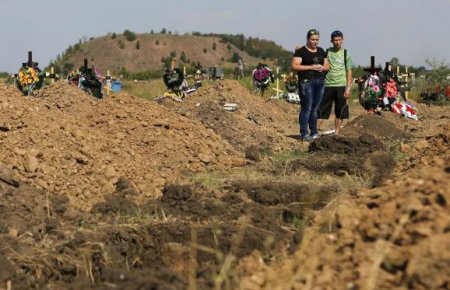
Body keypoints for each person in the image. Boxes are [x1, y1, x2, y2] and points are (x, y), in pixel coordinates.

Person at [292, 29, 329, 141]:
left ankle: (314, 132)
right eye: (313, 39)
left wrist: (322, 68)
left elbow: (328, 66)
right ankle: (304, 133)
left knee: (315, 108)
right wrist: (310, 67)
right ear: (308, 39)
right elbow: (294, 66)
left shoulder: (322, 51)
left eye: (317, 40)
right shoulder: (301, 52)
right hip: (306, 82)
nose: (315, 42)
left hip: (320, 81)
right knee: (307, 108)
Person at [318, 30, 353, 135]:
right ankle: (314, 132)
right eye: (335, 40)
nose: (337, 42)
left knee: (340, 111)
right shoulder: (327, 52)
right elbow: (323, 66)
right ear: (331, 41)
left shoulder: (346, 53)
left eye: (339, 40)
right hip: (328, 85)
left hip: (341, 86)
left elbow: (349, 71)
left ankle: (336, 133)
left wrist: (348, 88)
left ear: (343, 40)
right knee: (321, 110)